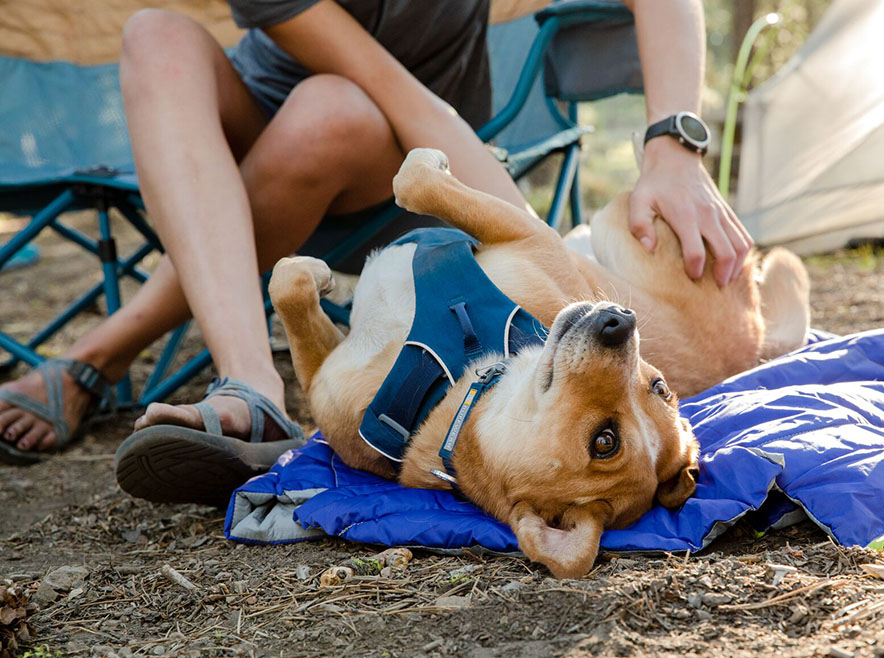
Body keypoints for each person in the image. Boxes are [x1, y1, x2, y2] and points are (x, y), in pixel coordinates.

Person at [0, 0, 751, 502]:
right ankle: (250, 380)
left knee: (335, 111)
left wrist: (673, 145)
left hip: (393, 173)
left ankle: (106, 351)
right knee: (155, 35)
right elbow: (385, 82)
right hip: (251, 151)